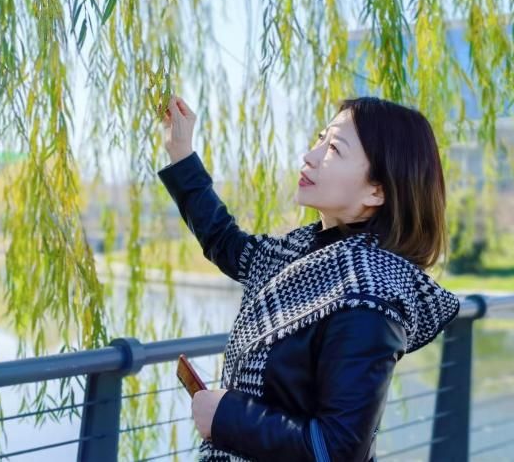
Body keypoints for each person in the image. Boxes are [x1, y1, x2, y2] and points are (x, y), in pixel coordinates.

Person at [156, 94, 461, 462]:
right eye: (320, 138)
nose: (310, 156)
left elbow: (338, 449)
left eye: (334, 149)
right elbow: (226, 242)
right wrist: (181, 153)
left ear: (377, 190)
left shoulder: (371, 295)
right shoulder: (304, 248)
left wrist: (227, 417)